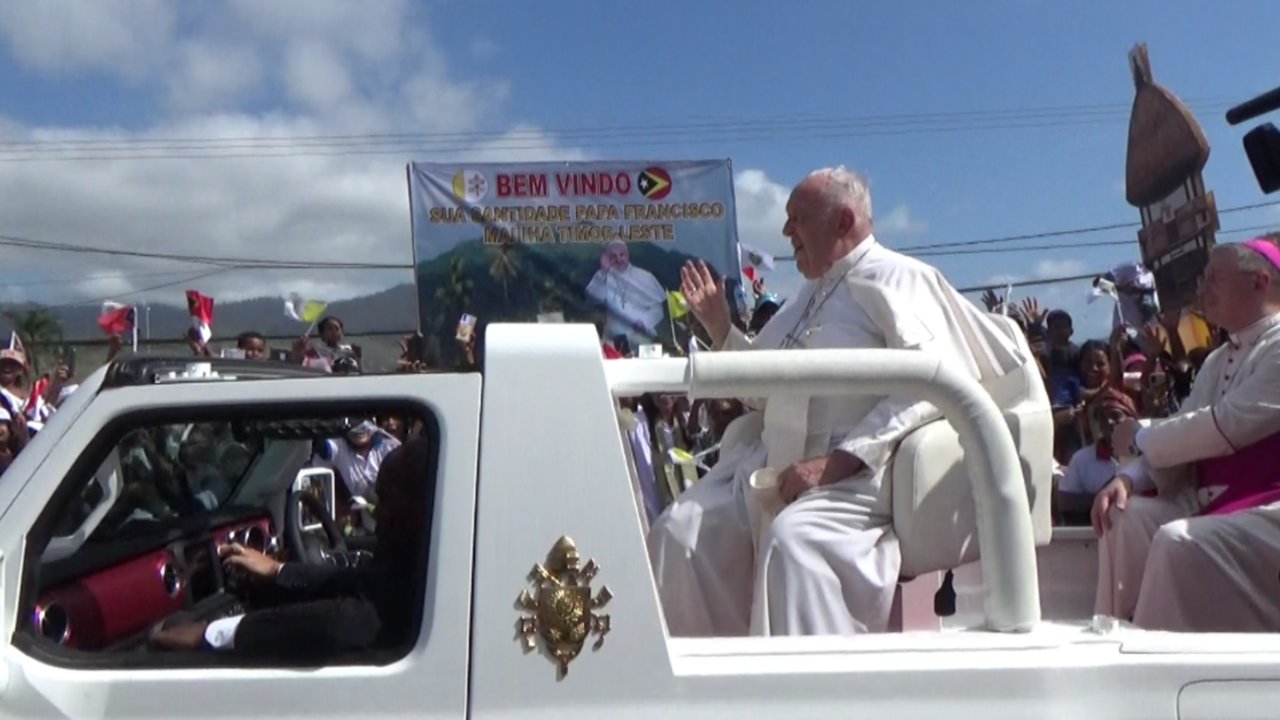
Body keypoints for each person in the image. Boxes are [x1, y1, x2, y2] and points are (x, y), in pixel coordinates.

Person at [647, 166, 1028, 637]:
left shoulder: (902, 277)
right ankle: (710, 697)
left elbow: (932, 382)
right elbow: (759, 391)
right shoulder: (805, 297)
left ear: (843, 221)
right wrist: (721, 328)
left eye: (797, 218)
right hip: (769, 468)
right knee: (679, 533)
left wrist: (839, 461)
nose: (786, 231)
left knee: (795, 546)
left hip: (858, 475)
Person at [1091, 237, 1280, 632]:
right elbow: (1187, 430)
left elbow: (1224, 425)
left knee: (1176, 541)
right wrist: (1128, 478)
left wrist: (1140, 435)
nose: (1202, 289)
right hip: (1217, 500)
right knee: (1122, 517)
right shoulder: (1217, 359)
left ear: (1259, 282)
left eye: (1214, 278)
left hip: (1269, 508)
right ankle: (1110, 631)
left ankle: (1150, 656)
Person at [148, 436, 432, 658]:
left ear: (422, 508)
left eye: (388, 501)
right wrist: (277, 570)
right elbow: (364, 582)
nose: (378, 515)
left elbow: (338, 625)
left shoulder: (412, 585)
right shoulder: (418, 563)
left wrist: (211, 634)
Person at [586, 240, 667, 348]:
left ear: (628, 255)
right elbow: (592, 297)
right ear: (608, 259)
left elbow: (658, 310)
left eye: (622, 255)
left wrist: (644, 322)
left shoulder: (645, 277)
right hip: (613, 343)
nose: (619, 259)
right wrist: (603, 272)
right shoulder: (603, 276)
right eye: (613, 256)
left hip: (642, 340)